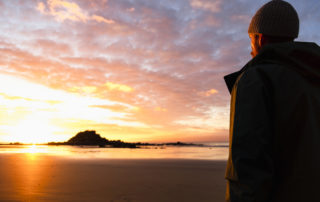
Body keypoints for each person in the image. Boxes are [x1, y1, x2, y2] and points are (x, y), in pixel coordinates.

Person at [224, 0, 320, 201]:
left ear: (260, 38)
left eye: (250, 38)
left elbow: (248, 169)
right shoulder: (313, 78)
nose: (251, 48)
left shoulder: (256, 79)